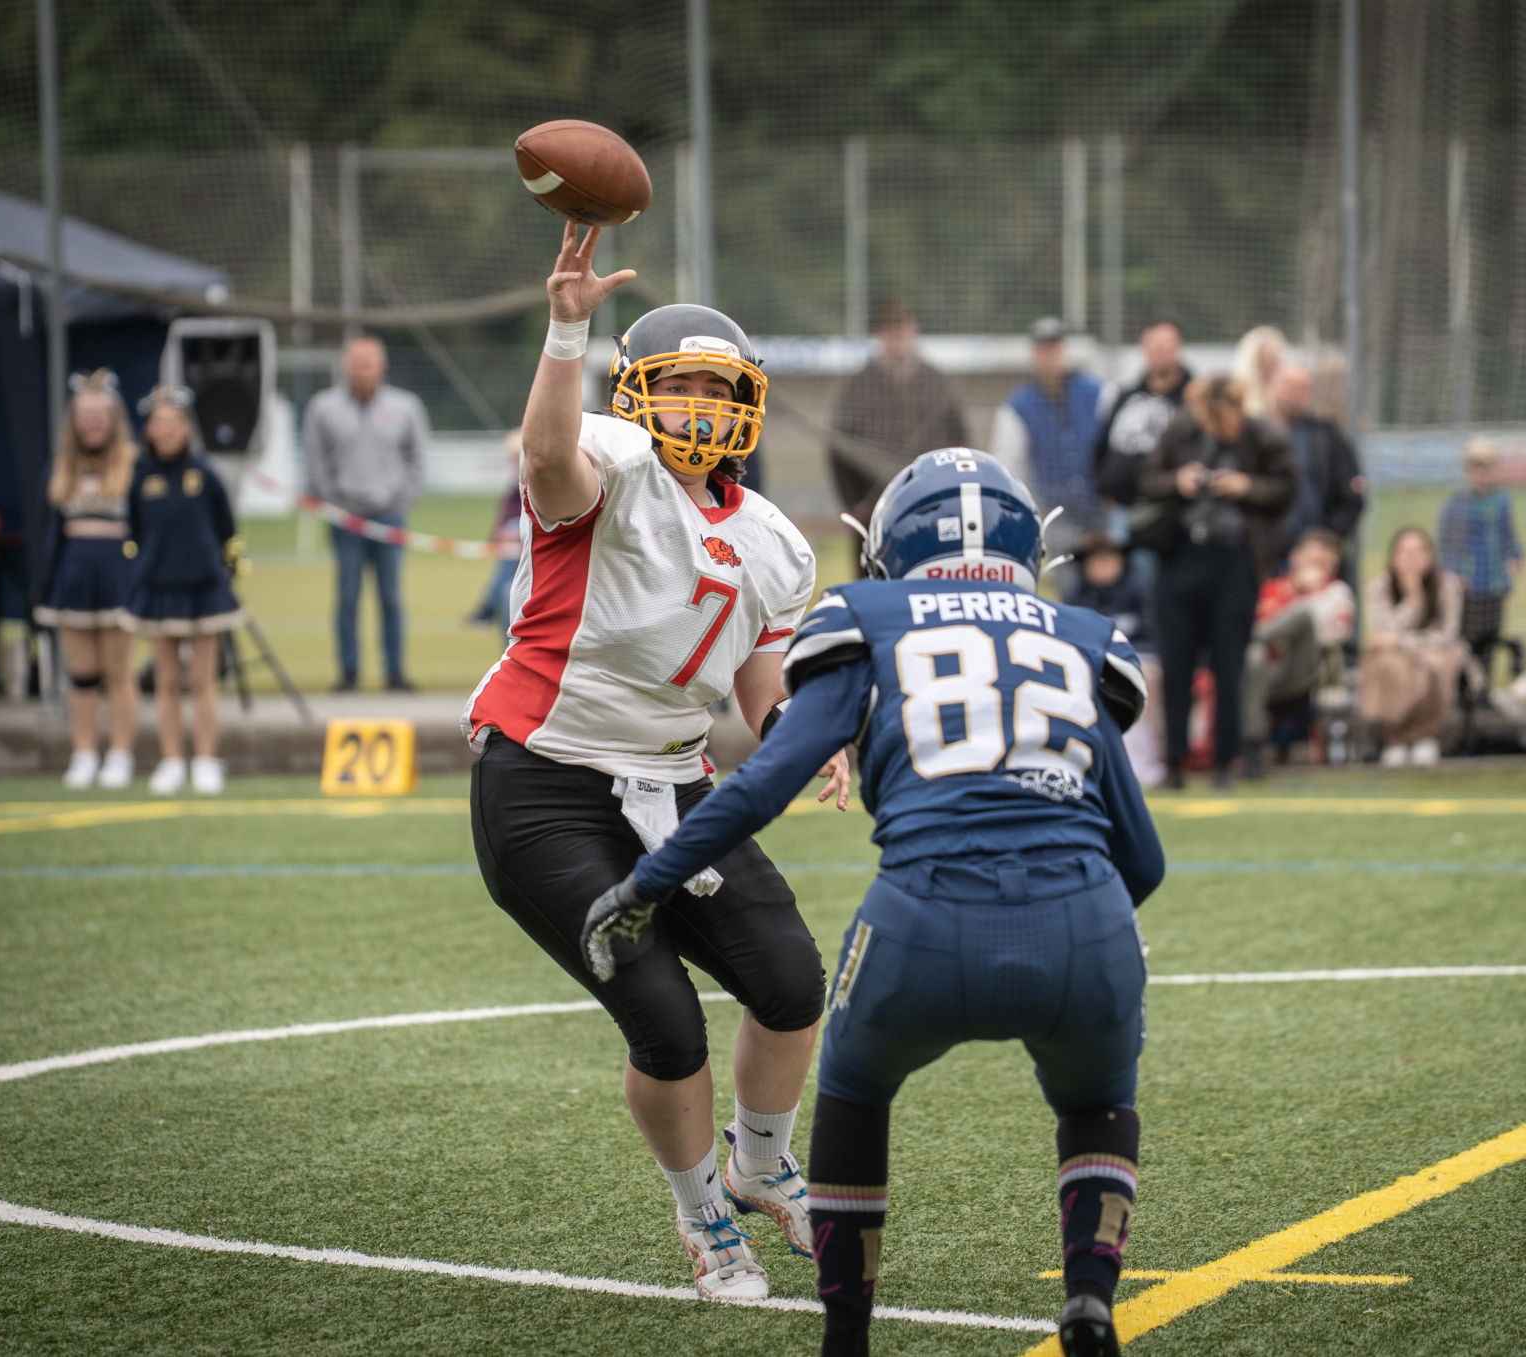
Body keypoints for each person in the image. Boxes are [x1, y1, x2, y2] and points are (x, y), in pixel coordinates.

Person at [579, 448, 1162, 1357]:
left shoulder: (868, 616)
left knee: (853, 1093)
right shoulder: (1083, 636)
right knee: (1098, 1103)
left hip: (922, 920)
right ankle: (1089, 1295)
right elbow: (1143, 856)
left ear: (890, 547)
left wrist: (645, 884)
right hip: (1084, 919)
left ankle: (846, 1334)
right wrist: (1102, 930)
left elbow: (765, 782)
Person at [464, 223, 850, 1301]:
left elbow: (760, 685)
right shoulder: (609, 465)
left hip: (676, 787)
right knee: (667, 1021)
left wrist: (808, 736)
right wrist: (566, 329)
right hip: (544, 780)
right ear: (634, 395)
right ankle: (703, 1215)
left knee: (789, 979)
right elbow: (548, 458)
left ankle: (761, 1164)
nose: (698, 407)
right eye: (677, 386)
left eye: (716, 389)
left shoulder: (776, 539)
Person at [1137, 376, 1295, 788]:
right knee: (1176, 663)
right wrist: (1176, 482)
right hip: (1182, 554)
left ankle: (1226, 762)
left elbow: (1288, 489)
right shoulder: (1181, 431)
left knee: (1229, 664)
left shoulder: (1261, 436)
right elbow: (1146, 481)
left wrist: (1247, 486)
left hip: (1235, 558)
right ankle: (1174, 762)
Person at [125, 385, 245, 796]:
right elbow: (134, 529)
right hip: (160, 589)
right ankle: (172, 761)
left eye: (175, 422)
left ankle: (206, 761)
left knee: (203, 679)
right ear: (148, 430)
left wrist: (223, 568)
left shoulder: (205, 474)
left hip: (203, 589)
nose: (168, 430)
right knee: (167, 680)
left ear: (187, 427)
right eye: (159, 423)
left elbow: (226, 526)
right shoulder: (140, 476)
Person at [33, 370, 141, 790]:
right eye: (85, 415)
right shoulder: (61, 467)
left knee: (119, 671)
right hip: (74, 579)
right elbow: (48, 533)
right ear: (74, 421)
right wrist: (45, 586)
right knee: (81, 673)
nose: (93, 423)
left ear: (113, 419)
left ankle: (121, 754)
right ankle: (83, 754)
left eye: (100, 415)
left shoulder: (132, 464)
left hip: (119, 577)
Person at [303, 334, 429, 692]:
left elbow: (418, 458)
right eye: (357, 362)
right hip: (345, 519)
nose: (363, 369)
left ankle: (395, 672)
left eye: (368, 362)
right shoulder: (323, 408)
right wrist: (334, 503)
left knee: (391, 596)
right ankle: (348, 673)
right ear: (345, 365)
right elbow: (314, 461)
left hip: (389, 516)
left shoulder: (406, 407)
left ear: (381, 365)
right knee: (347, 595)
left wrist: (401, 500)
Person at [827, 296, 968, 550]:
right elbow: (838, 447)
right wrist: (855, 502)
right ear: (878, 333)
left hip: (933, 504)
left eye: (904, 326)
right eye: (891, 327)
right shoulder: (858, 384)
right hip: (875, 508)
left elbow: (960, 438)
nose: (899, 334)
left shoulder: (937, 380)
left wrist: (953, 492)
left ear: (915, 329)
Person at [990, 316, 1111, 554]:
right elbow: (1009, 469)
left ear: (1064, 350)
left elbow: (1118, 446)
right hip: (1056, 512)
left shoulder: (1099, 392)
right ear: (1033, 353)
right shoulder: (1017, 407)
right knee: (1066, 567)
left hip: (1104, 506)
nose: (1050, 355)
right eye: (1043, 349)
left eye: (1055, 348)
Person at [1243, 527, 1356, 764]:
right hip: (1264, 671)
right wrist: (1291, 590)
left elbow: (1330, 636)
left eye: (1328, 564)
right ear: (1295, 557)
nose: (1322, 570)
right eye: (1316, 562)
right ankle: (1250, 745)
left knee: (1302, 616)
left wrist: (1303, 595)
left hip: (1306, 671)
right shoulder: (1271, 588)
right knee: (1254, 654)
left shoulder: (1337, 593)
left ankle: (1247, 638)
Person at [1357, 526, 1469, 766]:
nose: (1412, 558)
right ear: (1393, 556)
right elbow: (1383, 630)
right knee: (1391, 667)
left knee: (1431, 668)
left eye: (1418, 551)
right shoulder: (1380, 585)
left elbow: (1447, 634)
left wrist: (1404, 642)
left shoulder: (1446, 584)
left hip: (1435, 651)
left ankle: (1424, 737)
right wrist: (1412, 600)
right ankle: (1396, 738)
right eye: (1405, 552)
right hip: (1395, 656)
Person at [1068, 531, 1162, 786]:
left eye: (1109, 558)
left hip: (1140, 657)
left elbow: (1153, 635)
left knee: (1145, 675)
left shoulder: (1141, 590)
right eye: (1096, 560)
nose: (1103, 565)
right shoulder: (1078, 597)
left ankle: (1143, 763)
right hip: (1089, 663)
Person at [1438, 438, 1525, 662]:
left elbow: (1508, 533)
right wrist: (1453, 572)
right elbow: (1447, 543)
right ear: (1468, 470)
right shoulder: (1458, 503)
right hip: (1469, 582)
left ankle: (1486, 675)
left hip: (1495, 580)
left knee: (1492, 634)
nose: (1483, 474)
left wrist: (1516, 555)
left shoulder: (1502, 500)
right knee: (1467, 636)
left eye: (1488, 467)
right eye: (1477, 467)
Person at [1270, 363, 1367, 560]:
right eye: (1289, 385)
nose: (1294, 393)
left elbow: (1351, 495)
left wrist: (1329, 539)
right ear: (1273, 388)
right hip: (1268, 550)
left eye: (1301, 388)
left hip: (1316, 551)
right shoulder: (1255, 433)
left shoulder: (1327, 436)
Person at [1093, 317, 1190, 511]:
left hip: (1167, 512)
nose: (1160, 351)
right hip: (1119, 510)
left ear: (1179, 347)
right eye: (1154, 344)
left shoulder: (1192, 399)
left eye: (1167, 344)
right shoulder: (1127, 396)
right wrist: (1103, 487)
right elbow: (1102, 445)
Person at [466, 429, 525, 631]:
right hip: (513, 552)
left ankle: (487, 608)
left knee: (507, 591)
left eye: (517, 458)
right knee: (506, 591)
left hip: (532, 552)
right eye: (512, 459)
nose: (514, 464)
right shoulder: (514, 487)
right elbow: (502, 522)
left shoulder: (538, 487)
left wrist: (517, 533)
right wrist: (502, 534)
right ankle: (488, 608)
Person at [1231, 324, 1286, 421]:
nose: (1271, 362)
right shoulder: (1239, 390)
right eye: (1266, 356)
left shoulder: (1285, 391)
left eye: (1274, 356)